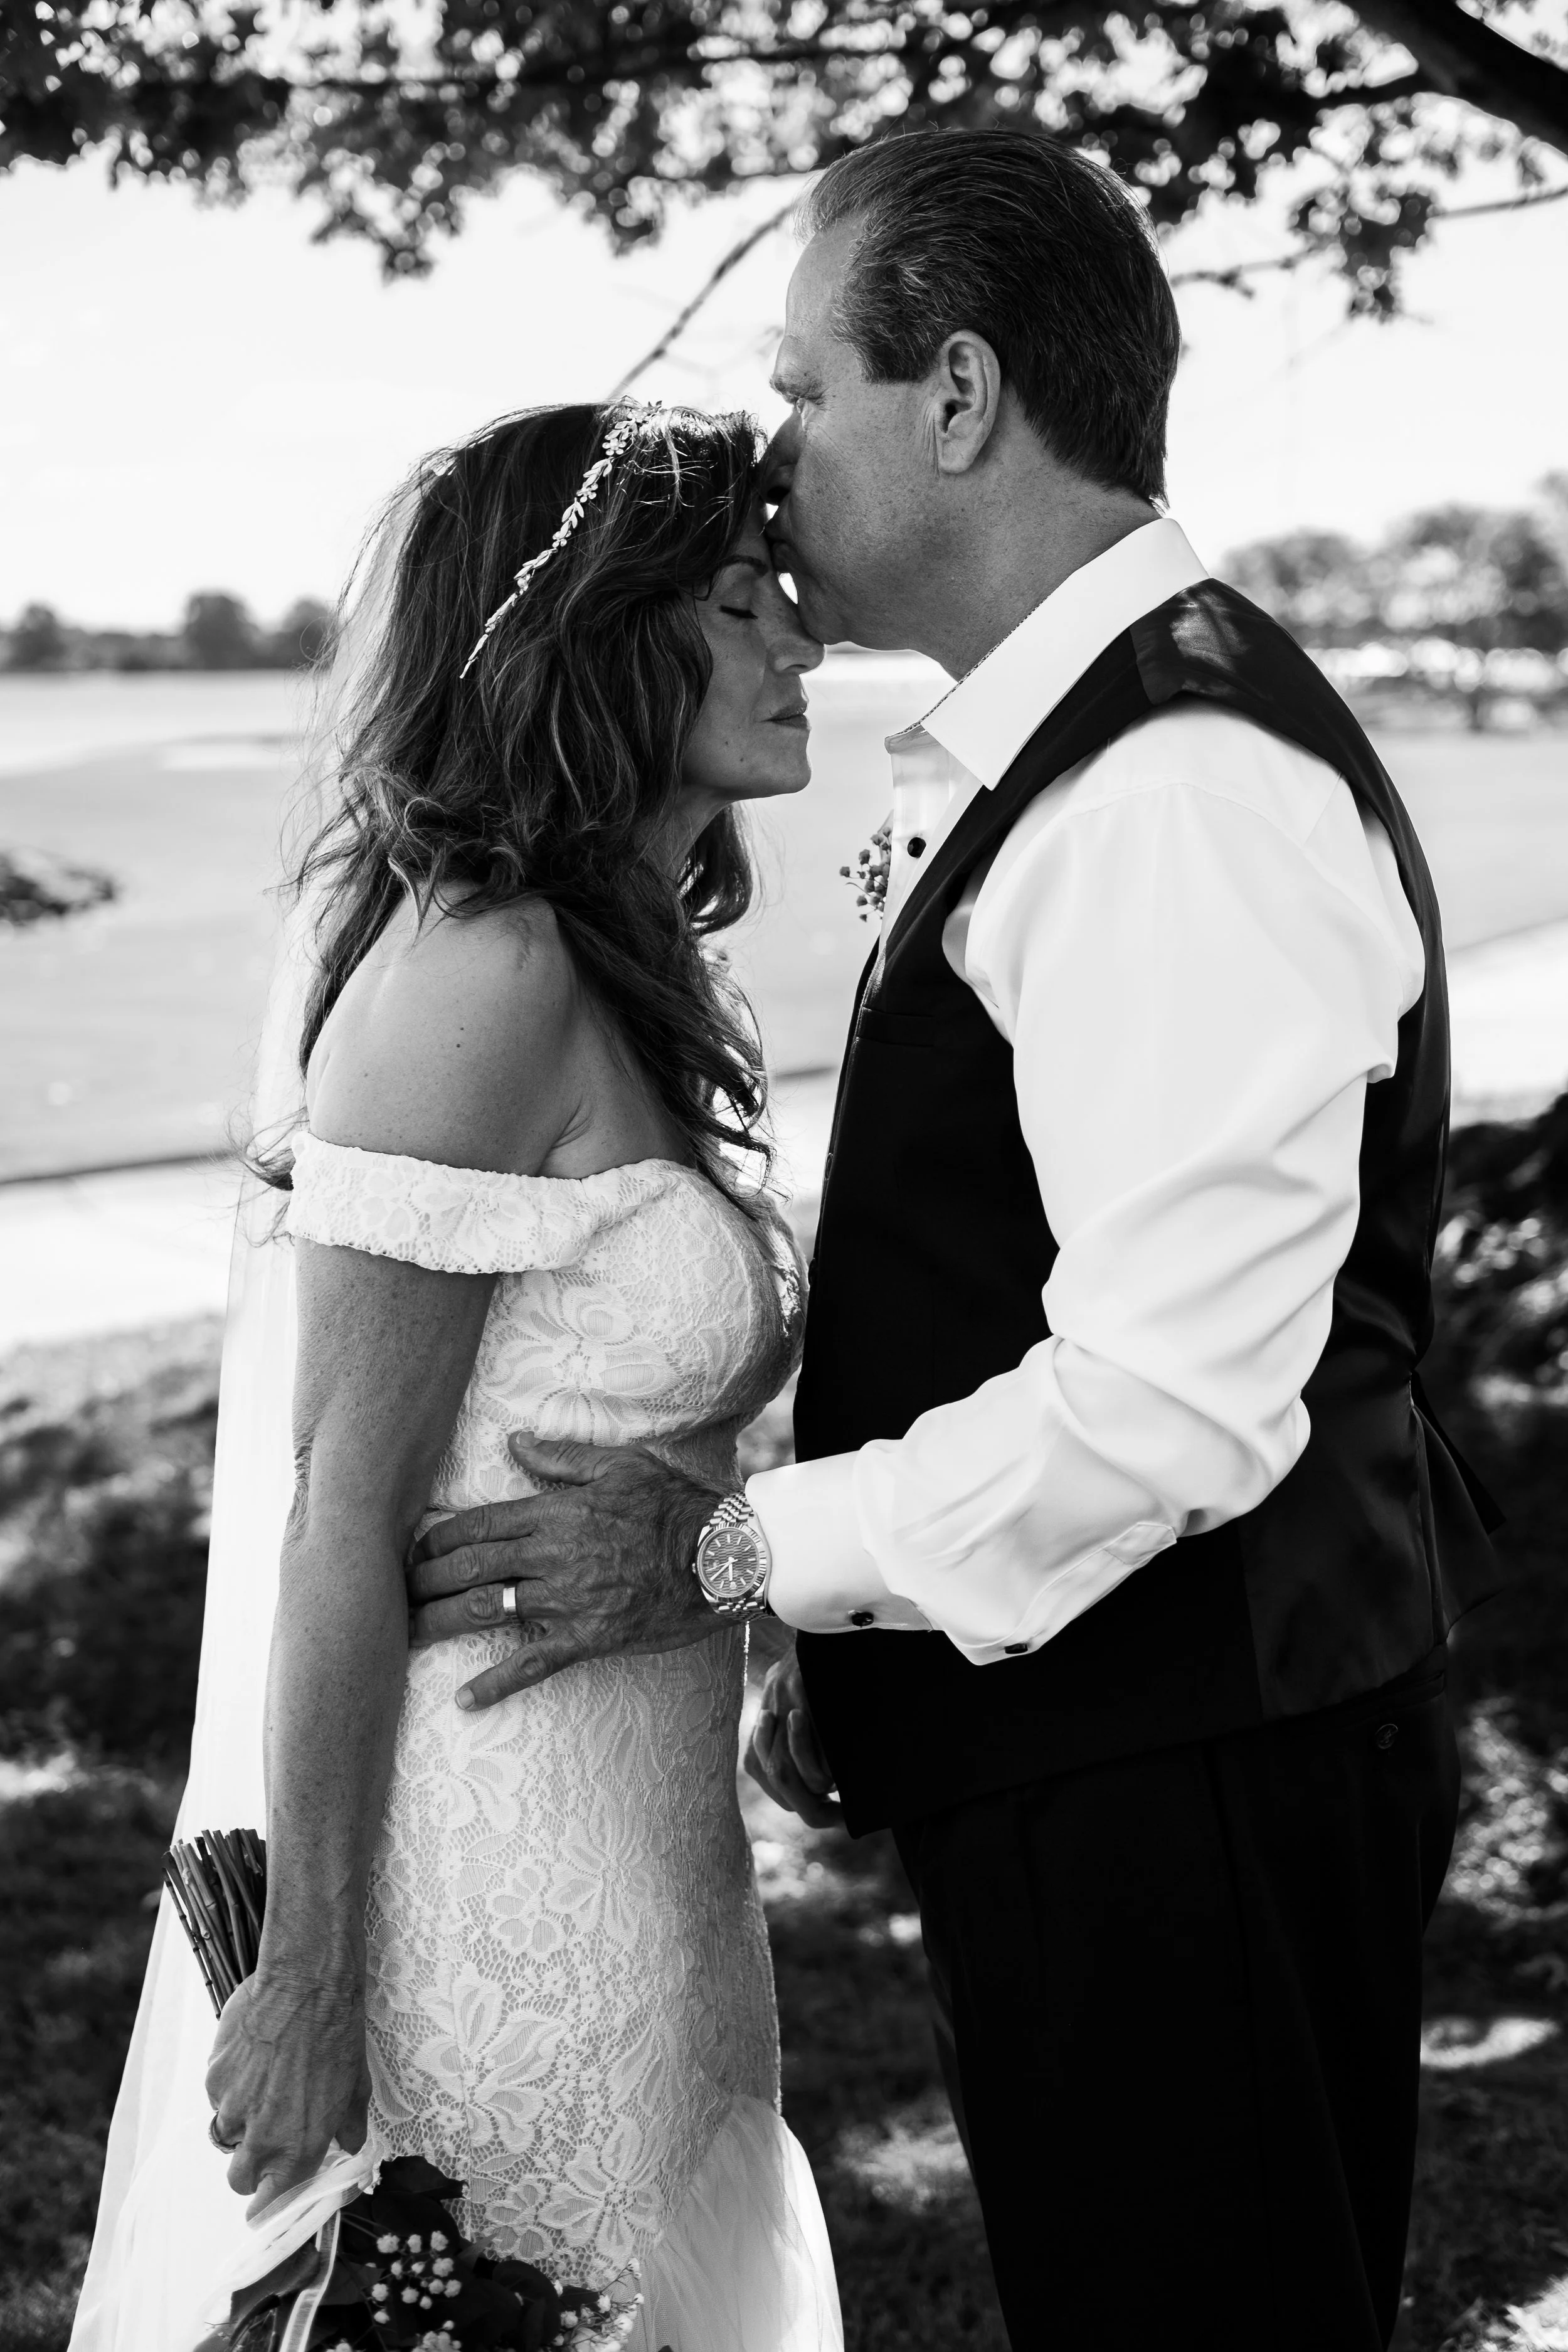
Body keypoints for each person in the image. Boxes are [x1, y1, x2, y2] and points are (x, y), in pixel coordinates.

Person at [404, 130, 1502, 2351]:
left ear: (961, 395)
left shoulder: (1169, 787)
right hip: (1109, 1730)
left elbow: (1171, 1402)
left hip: (1185, 1769)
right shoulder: (1078, 748)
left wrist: (732, 1552)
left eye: (807, 388)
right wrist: (877, 1633)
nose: (770, 454)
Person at [69, 403, 840, 2352]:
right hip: (481, 1871)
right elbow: (337, 1501)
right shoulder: (482, 971)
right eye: (744, 603)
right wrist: (311, 1967)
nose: (801, 644)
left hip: (651, 1854)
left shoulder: (633, 969)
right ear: (597, 636)